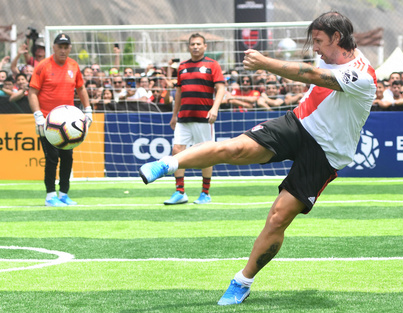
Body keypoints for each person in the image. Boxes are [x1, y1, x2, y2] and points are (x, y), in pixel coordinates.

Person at [139, 11, 376, 305]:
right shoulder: (332, 52)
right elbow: (325, 59)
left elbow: (312, 75)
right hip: (298, 124)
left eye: (318, 41)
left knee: (278, 218)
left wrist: (265, 63)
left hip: (325, 153)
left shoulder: (362, 76)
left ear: (337, 38)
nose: (314, 47)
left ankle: (243, 281)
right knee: (233, 148)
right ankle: (169, 164)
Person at [146, 32, 225, 205]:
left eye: (199, 44)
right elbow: (179, 93)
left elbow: (221, 89)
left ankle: (205, 193)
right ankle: (180, 192)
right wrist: (174, 115)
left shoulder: (213, 65)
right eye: (192, 44)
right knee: (177, 152)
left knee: (207, 155)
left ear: (205, 46)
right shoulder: (182, 66)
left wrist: (215, 108)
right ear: (188, 47)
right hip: (184, 118)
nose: (195, 47)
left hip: (204, 117)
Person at [28, 33, 92, 207]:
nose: (63, 50)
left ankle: (63, 193)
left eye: (66, 47)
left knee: (68, 158)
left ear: (70, 48)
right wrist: (38, 115)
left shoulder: (73, 65)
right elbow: (32, 92)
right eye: (60, 47)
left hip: (69, 122)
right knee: (51, 158)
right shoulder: (43, 66)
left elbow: (81, 88)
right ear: (54, 47)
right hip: (48, 122)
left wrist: (88, 110)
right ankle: (50, 196)